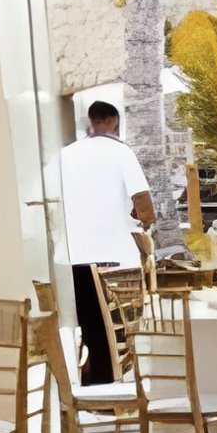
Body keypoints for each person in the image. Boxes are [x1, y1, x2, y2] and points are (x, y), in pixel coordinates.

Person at [59, 100, 155, 386]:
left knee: (88, 321)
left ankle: (91, 373)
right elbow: (143, 203)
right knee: (112, 324)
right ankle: (106, 375)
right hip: (113, 256)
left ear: (92, 121)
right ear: (113, 121)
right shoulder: (121, 152)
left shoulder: (66, 154)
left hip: (72, 253)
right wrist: (143, 223)